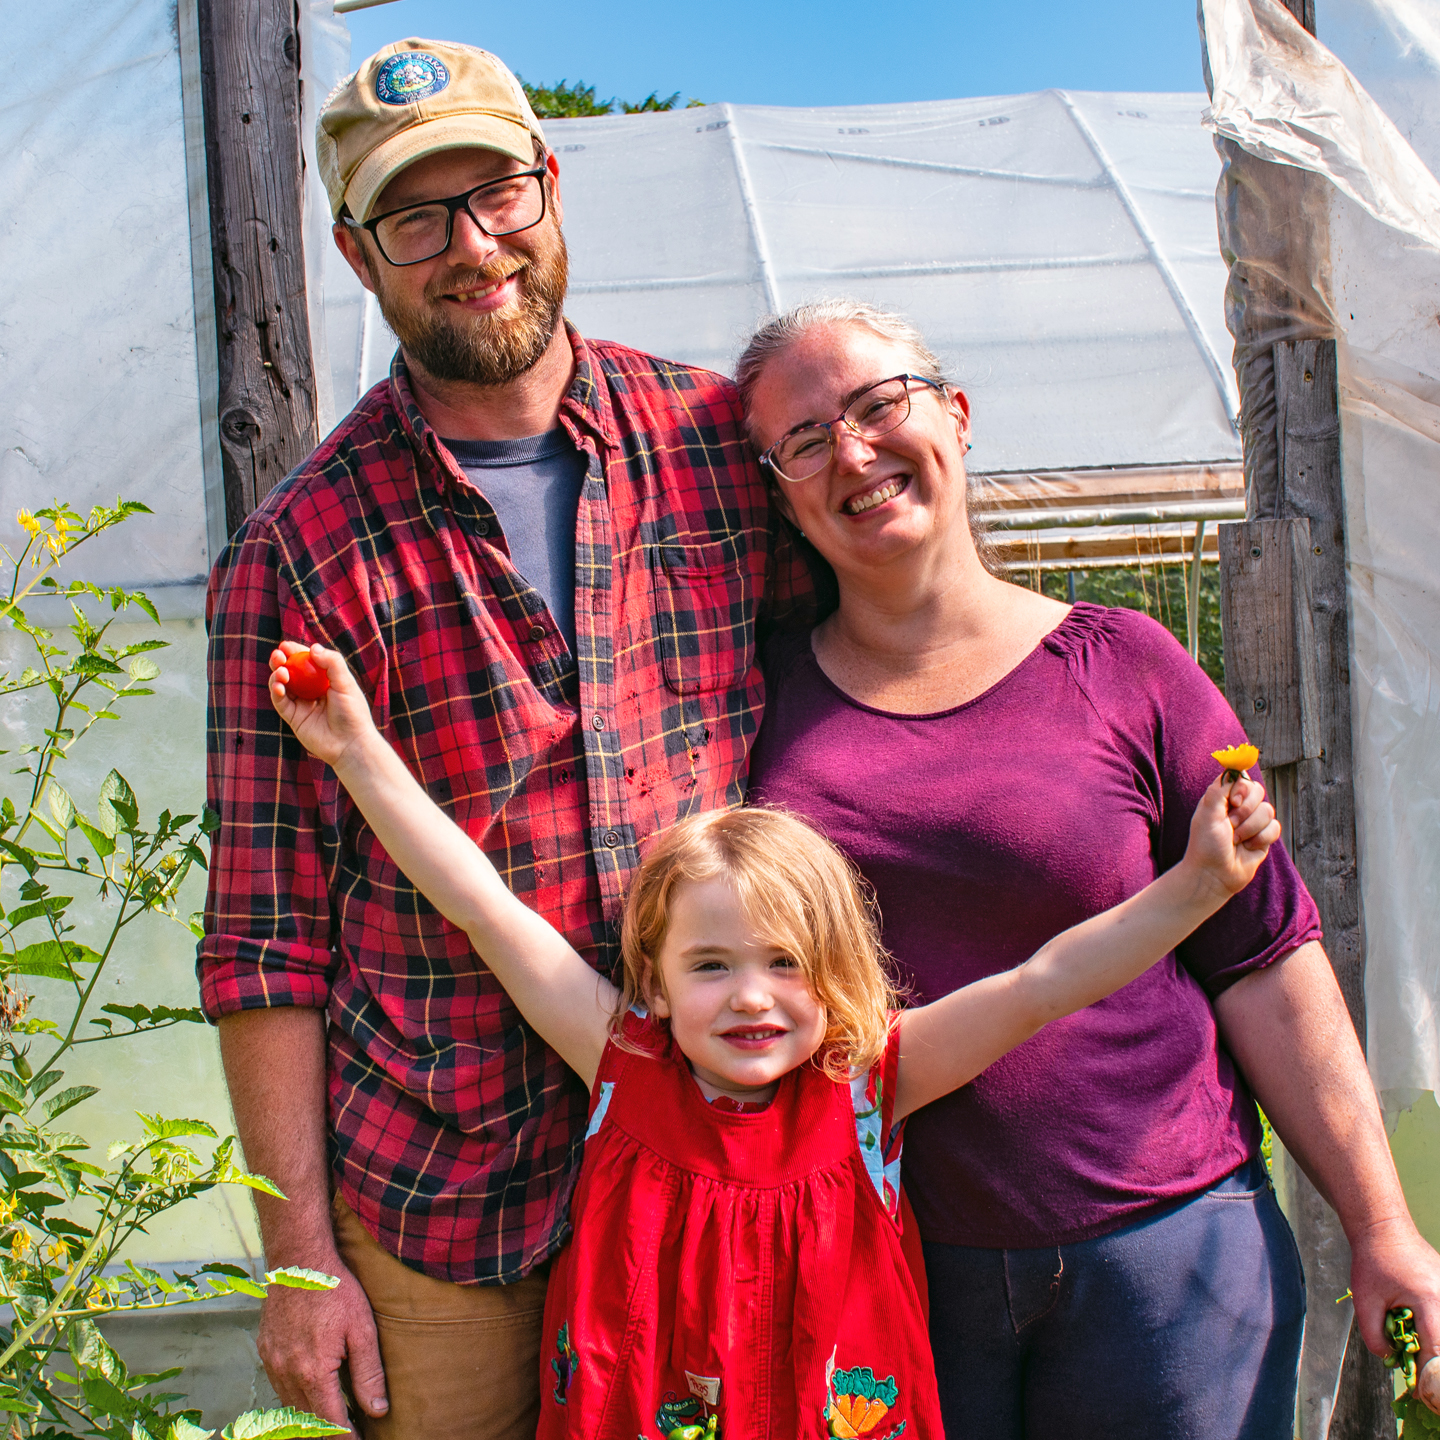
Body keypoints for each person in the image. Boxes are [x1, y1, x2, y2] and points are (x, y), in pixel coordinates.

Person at [198, 39, 809, 1440]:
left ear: (551, 192)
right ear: (360, 259)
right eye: (417, 217)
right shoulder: (302, 553)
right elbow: (264, 941)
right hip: (448, 1190)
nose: (472, 248)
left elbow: (837, 712)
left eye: (498, 196)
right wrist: (300, 1258)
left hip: (711, 1157)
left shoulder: (715, 443)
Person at [266, 639, 1281, 1439]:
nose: (752, 997)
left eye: (787, 963)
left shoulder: (871, 1081)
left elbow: (1040, 985)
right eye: (711, 967)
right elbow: (484, 907)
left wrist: (1196, 887)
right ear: (654, 981)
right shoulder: (620, 1062)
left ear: (836, 972)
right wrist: (355, 747)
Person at [737, 299, 1440, 1438]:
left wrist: (1382, 1225)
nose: (854, 453)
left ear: (956, 419)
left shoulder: (1128, 666)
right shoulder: (753, 711)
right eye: (806, 440)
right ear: (781, 494)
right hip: (887, 1274)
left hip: (1168, 1270)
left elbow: (1265, 959)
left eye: (879, 405)